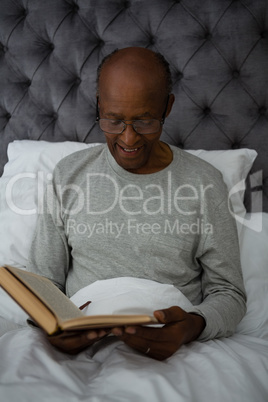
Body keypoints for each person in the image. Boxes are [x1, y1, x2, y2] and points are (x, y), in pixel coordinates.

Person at [27, 47, 246, 361]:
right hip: (80, 347)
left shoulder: (204, 183)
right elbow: (43, 281)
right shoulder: (69, 174)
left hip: (175, 348)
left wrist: (190, 327)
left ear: (167, 107)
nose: (128, 140)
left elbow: (229, 293)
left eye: (144, 122)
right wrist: (52, 326)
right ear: (99, 106)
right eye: (113, 121)